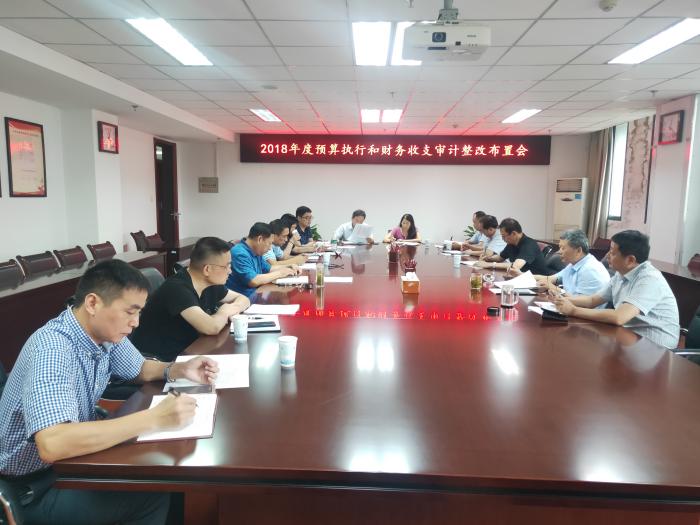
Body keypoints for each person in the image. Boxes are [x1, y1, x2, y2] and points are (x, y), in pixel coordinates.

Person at [0, 259, 219, 525]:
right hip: (33, 489)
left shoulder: (103, 333)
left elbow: (139, 368)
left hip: (70, 465)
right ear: (93, 303)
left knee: (157, 474)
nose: (136, 322)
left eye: (139, 312)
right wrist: (154, 418)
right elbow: (53, 443)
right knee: (152, 493)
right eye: (130, 312)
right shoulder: (52, 350)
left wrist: (177, 369)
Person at [554, 230, 680, 349]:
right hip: (630, 337)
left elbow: (619, 317)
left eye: (613, 253)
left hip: (656, 348)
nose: (607, 256)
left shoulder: (649, 279)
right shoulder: (621, 274)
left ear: (630, 260)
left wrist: (573, 310)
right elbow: (592, 300)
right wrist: (560, 299)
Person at [130, 237, 250, 362]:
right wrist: (224, 312)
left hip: (190, 351)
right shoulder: (177, 289)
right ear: (207, 269)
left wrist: (233, 308)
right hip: (161, 361)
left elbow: (244, 299)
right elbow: (211, 327)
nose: (230, 271)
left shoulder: (210, 283)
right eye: (227, 266)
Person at [227, 222, 300, 296]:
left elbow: (269, 268)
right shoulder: (239, 253)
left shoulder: (256, 251)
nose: (270, 248)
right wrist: (281, 273)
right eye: (269, 243)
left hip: (257, 293)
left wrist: (288, 266)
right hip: (244, 298)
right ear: (260, 239)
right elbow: (253, 281)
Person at [534, 229, 610, 299]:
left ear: (578, 250)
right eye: (559, 248)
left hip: (581, 309)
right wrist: (528, 277)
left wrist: (553, 288)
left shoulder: (590, 270)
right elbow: (550, 278)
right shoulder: (574, 264)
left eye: (563, 248)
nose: (559, 252)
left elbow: (581, 302)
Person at [476, 217, 548, 275]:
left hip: (537, 282)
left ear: (513, 233)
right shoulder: (512, 243)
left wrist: (489, 265)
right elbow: (500, 258)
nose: (502, 239)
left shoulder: (529, 244)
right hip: (520, 278)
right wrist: (488, 258)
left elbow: (515, 266)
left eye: (504, 236)